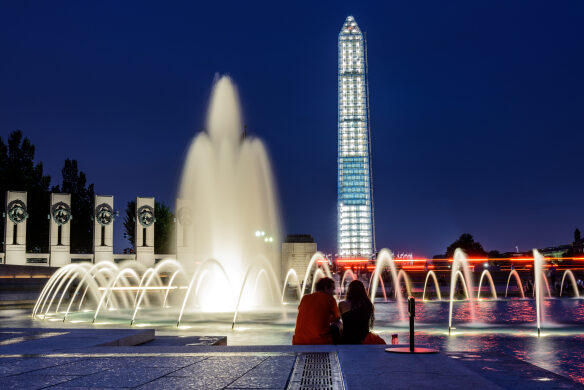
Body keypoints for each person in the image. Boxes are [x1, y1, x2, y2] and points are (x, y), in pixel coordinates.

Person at [292, 277, 340, 345]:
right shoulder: (330, 299)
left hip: (298, 341)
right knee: (338, 324)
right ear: (326, 288)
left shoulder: (305, 298)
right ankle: (340, 351)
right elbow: (336, 318)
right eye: (332, 288)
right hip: (319, 342)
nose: (333, 292)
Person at [338, 280, 385, 344]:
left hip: (347, 339)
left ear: (349, 290)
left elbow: (337, 320)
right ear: (363, 291)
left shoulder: (342, 304)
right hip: (364, 340)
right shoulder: (368, 304)